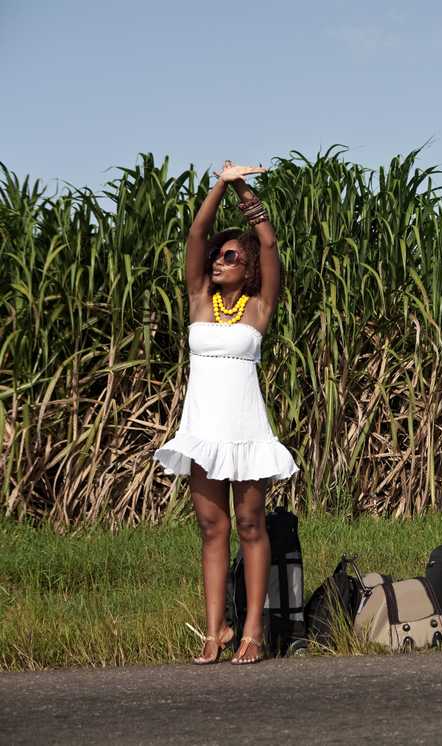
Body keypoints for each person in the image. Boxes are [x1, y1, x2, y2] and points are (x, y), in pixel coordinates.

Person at [154, 161, 298, 665]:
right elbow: (196, 232)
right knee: (213, 530)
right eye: (217, 255)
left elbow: (272, 245)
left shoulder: (259, 306)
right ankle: (214, 631)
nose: (218, 260)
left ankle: (253, 632)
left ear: (248, 265)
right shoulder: (199, 299)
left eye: (230, 255)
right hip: (203, 429)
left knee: (251, 525)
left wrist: (245, 192)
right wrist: (219, 182)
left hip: (245, 427)